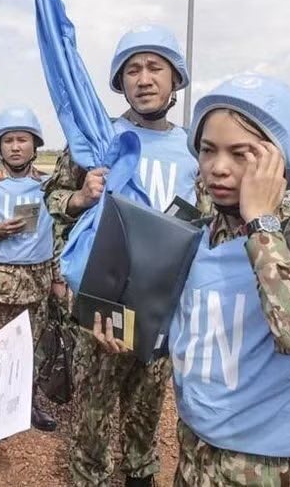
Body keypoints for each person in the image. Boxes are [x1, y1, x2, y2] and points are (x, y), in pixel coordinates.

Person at [92, 74, 290, 487]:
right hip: (195, 451)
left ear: (280, 162)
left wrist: (261, 224)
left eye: (241, 153)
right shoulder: (191, 235)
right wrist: (123, 334)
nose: (218, 167)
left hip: (272, 466)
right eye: (207, 150)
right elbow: (175, 329)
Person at [42, 25, 200, 487]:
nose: (144, 79)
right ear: (120, 82)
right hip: (105, 297)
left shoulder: (194, 148)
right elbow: (52, 199)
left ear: (174, 79)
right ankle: (89, 475)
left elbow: (206, 222)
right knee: (93, 411)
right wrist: (81, 197)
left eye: (155, 68)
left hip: (162, 303)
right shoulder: (99, 139)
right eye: (133, 70)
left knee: (146, 406)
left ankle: (139, 474)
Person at [0, 107, 58, 432]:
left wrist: (58, 278)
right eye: (8, 140)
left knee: (30, 348)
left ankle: (27, 404)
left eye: (23, 139)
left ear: (35, 145)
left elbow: (58, 232)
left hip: (35, 281)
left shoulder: (49, 186)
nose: (16, 147)